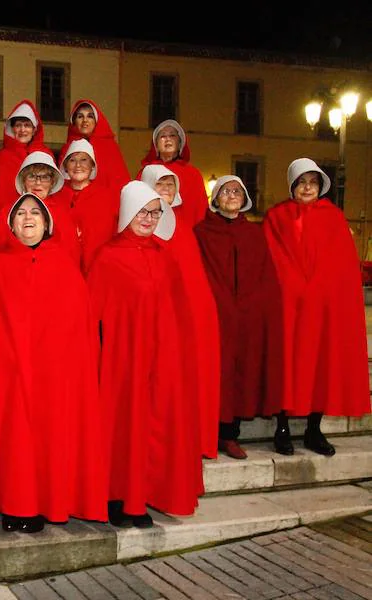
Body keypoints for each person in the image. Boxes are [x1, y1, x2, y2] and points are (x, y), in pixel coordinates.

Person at [0, 193, 106, 533]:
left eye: (36, 212)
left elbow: (79, 324)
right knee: (14, 439)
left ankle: (50, 502)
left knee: (52, 436)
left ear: (48, 223)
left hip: (55, 373)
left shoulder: (63, 265)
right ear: (11, 224)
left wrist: (63, 364)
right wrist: (6, 361)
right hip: (9, 370)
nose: (28, 217)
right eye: (21, 213)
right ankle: (15, 505)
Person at [88, 180, 203, 527]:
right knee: (121, 427)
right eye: (143, 212)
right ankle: (115, 497)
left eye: (155, 213)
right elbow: (92, 314)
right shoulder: (108, 256)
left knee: (152, 427)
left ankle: (144, 496)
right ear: (127, 214)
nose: (149, 219)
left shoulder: (165, 257)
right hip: (120, 359)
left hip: (159, 359)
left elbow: (177, 313)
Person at [263, 158, 371, 456]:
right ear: (292, 186)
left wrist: (320, 288)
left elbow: (342, 262)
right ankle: (282, 427)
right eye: (301, 181)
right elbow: (272, 255)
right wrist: (294, 285)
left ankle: (314, 428)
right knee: (286, 364)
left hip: (323, 307)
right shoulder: (277, 216)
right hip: (289, 305)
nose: (307, 187)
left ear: (321, 186)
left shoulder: (334, 217)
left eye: (313, 181)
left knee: (322, 365)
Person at [194, 176, 285, 459]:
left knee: (240, 376)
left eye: (236, 191)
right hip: (215, 315)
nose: (231, 195)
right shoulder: (201, 231)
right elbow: (198, 272)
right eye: (225, 191)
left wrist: (254, 305)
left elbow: (265, 276)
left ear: (244, 198)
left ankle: (230, 434)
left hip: (247, 317)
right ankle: (209, 433)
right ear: (215, 198)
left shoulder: (254, 234)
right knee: (214, 374)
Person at [140, 165, 221, 459]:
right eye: (159, 184)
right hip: (157, 317)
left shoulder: (183, 227)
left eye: (170, 185)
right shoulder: (138, 225)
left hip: (188, 318)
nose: (165, 190)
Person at [0, 151, 79, 264]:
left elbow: (71, 257)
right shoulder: (7, 212)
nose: (38, 182)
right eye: (32, 177)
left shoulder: (62, 214)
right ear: (23, 181)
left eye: (45, 177)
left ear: (52, 182)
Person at [59, 139, 117, 273]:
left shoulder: (108, 197)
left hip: (98, 268)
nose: (78, 165)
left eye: (84, 159)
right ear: (66, 166)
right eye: (72, 160)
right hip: (64, 268)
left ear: (92, 165)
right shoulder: (56, 196)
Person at [138, 119, 207, 228]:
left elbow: (201, 210)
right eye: (163, 136)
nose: (168, 139)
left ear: (180, 144)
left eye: (172, 135)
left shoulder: (193, 174)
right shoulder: (146, 172)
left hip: (185, 232)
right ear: (156, 145)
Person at [58, 100, 130, 193]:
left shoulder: (110, 147)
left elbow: (120, 181)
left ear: (96, 121)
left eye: (90, 116)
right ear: (74, 122)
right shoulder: (67, 148)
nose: (85, 120)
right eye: (80, 116)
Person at [0, 100, 49, 202]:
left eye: (27, 125)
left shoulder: (45, 154)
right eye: (18, 125)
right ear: (12, 129)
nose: (22, 130)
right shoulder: (3, 157)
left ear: (34, 130)